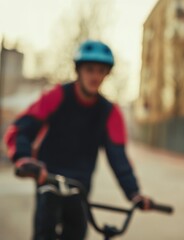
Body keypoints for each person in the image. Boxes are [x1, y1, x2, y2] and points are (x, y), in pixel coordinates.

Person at [3, 40, 152, 239]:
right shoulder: (57, 96)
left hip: (80, 188)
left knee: (76, 234)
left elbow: (118, 156)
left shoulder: (110, 112)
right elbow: (21, 128)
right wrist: (24, 158)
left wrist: (134, 193)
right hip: (48, 179)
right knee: (44, 232)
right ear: (78, 70)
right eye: (89, 69)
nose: (95, 76)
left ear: (107, 74)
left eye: (101, 70)